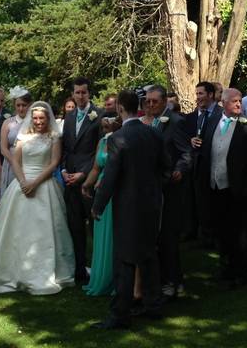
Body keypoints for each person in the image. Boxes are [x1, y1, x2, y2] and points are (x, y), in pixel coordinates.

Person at [0, 102, 75, 295]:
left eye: (42, 118)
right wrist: (22, 182)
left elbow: (54, 162)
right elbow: (15, 161)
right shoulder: (22, 136)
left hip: (44, 183)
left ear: (48, 119)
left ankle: (44, 270)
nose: (38, 122)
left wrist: (35, 183)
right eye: (35, 118)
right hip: (21, 184)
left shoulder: (54, 137)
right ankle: (12, 270)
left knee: (45, 228)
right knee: (15, 229)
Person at [91, 89, 167, 330]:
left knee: (124, 259)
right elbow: (166, 165)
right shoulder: (154, 134)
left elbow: (111, 175)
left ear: (122, 108)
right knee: (148, 256)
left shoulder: (118, 138)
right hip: (152, 203)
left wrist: (98, 205)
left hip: (127, 206)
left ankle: (119, 314)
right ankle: (154, 306)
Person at [192, 88, 247, 289]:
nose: (239, 104)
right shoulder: (213, 122)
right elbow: (207, 150)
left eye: (240, 101)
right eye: (234, 101)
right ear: (223, 103)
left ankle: (240, 272)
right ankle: (225, 268)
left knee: (239, 233)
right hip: (215, 187)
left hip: (238, 188)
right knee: (221, 230)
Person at [142, 85, 192, 299]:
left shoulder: (176, 121)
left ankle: (175, 281)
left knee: (169, 237)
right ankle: (162, 280)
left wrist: (179, 170)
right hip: (153, 186)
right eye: (148, 101)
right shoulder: (146, 122)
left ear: (164, 102)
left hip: (171, 188)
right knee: (156, 237)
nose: (150, 105)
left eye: (154, 101)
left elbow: (186, 153)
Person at [61, 77, 103, 285]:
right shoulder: (68, 118)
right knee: (74, 227)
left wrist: (85, 173)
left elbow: (101, 149)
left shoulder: (100, 116)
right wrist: (63, 170)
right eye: (77, 93)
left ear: (89, 93)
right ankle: (79, 269)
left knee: (95, 228)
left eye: (83, 93)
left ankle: (99, 268)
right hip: (69, 180)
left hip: (89, 180)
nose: (80, 96)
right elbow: (65, 148)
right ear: (73, 94)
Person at [81, 115, 120, 297]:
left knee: (114, 235)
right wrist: (87, 183)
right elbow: (97, 167)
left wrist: (102, 183)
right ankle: (101, 277)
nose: (106, 126)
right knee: (101, 234)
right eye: (104, 124)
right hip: (100, 193)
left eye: (109, 122)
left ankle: (116, 280)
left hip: (115, 191)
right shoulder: (102, 141)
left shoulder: (121, 140)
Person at [184, 81, 221, 243]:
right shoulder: (192, 117)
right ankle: (196, 232)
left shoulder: (221, 114)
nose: (197, 97)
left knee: (213, 204)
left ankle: (213, 235)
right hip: (194, 165)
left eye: (201, 94)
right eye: (196, 94)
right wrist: (190, 140)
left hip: (214, 165)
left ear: (211, 95)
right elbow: (184, 137)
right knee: (196, 201)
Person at [0, 87, 32, 200]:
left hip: (29, 163)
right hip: (11, 163)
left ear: (29, 105)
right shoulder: (8, 122)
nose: (21, 108)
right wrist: (15, 162)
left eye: (24, 105)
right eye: (18, 105)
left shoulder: (34, 122)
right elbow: (3, 147)